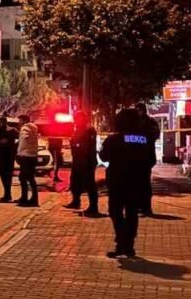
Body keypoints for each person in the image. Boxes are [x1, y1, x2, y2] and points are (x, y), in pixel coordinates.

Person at [100, 108, 157, 258]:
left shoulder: (114, 139)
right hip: (137, 182)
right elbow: (152, 160)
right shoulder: (145, 139)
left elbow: (104, 157)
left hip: (117, 181)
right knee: (132, 212)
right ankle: (129, 245)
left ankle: (121, 243)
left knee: (115, 212)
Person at [65, 112, 100, 216]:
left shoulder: (89, 130)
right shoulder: (78, 129)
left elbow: (86, 145)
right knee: (75, 181)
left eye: (77, 119)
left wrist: (76, 145)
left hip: (87, 160)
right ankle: (76, 201)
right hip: (78, 159)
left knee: (89, 183)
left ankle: (93, 207)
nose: (75, 121)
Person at [134, 102, 159, 217]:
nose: (138, 112)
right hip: (135, 157)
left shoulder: (150, 122)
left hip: (146, 156)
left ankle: (146, 207)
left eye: (140, 110)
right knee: (136, 183)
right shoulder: (133, 122)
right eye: (136, 110)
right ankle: (138, 206)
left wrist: (144, 135)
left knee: (145, 183)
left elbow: (155, 134)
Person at [0, 115, 19, 203]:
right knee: (2, 174)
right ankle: (6, 193)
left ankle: (8, 194)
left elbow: (20, 139)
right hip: (1, 155)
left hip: (9, 155)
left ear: (4, 122)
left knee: (8, 174)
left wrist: (14, 146)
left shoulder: (12, 130)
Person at [15, 113, 40, 207]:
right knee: (30, 178)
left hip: (26, 155)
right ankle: (33, 198)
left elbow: (24, 140)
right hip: (33, 155)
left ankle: (24, 198)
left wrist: (19, 152)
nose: (19, 122)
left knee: (23, 177)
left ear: (24, 120)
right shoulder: (34, 128)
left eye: (20, 120)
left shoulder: (25, 128)